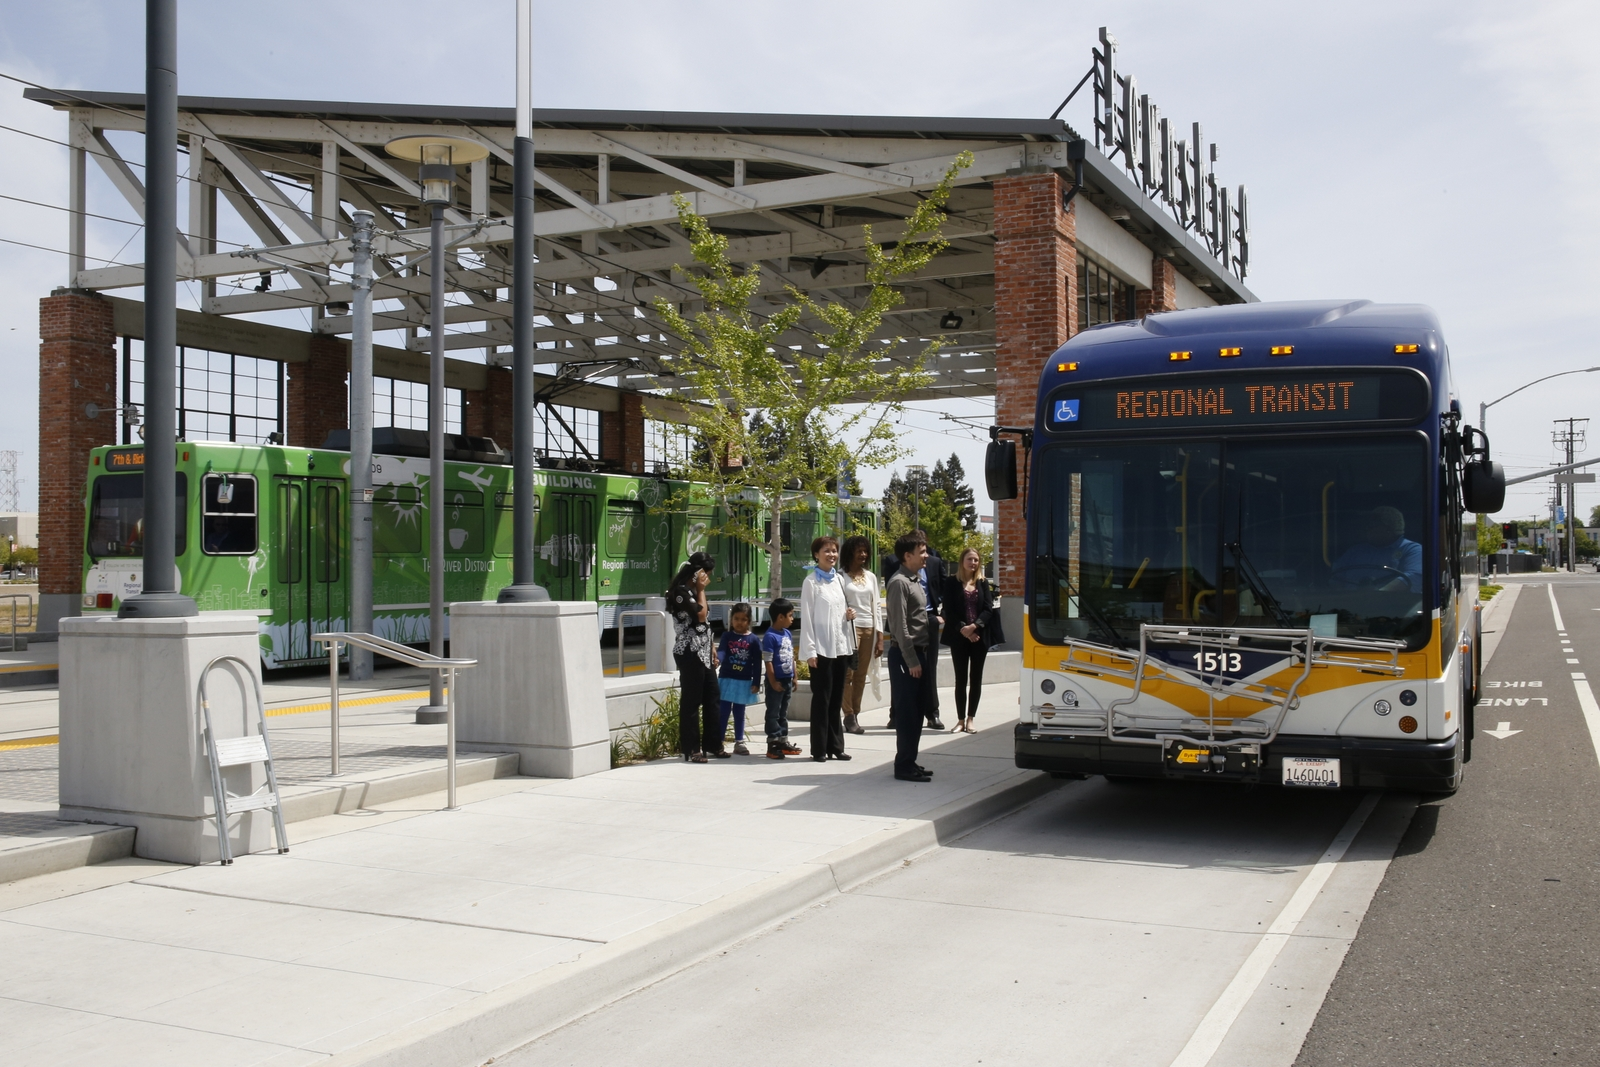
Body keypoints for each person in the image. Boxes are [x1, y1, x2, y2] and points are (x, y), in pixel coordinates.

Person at [798, 534, 855, 763]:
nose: (832, 555)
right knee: (821, 700)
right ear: (816, 555)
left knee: (836, 699)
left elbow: (838, 611)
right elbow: (808, 619)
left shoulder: (839, 580)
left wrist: (848, 615)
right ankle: (820, 749)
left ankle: (836, 746)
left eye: (834, 551)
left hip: (840, 646)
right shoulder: (811, 582)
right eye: (827, 551)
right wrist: (810, 651)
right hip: (821, 649)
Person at [886, 532, 936, 782]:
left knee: (917, 712)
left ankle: (910, 761)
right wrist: (912, 660)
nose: (926, 555)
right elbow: (899, 626)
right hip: (907, 656)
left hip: (920, 653)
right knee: (906, 713)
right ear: (907, 556)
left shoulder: (915, 580)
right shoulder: (899, 583)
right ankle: (903, 765)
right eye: (922, 552)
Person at [667, 551, 720, 763]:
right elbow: (699, 615)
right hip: (689, 652)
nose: (709, 578)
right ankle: (692, 749)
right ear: (698, 573)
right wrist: (700, 590)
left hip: (704, 650)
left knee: (712, 696)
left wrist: (712, 647)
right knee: (691, 700)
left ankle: (713, 744)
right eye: (707, 573)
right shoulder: (680, 592)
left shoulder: (695, 590)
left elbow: (705, 625)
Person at [940, 547, 998, 733]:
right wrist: (964, 629)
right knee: (961, 679)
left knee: (976, 679)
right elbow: (948, 609)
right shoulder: (951, 582)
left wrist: (975, 626)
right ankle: (960, 720)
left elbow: (989, 608)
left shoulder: (982, 582)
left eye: (976, 560)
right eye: (970, 559)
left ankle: (971, 718)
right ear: (962, 561)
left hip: (979, 637)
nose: (973, 563)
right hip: (959, 637)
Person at [839, 534, 882, 736]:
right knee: (848, 674)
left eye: (865, 551)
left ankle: (855, 713)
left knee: (861, 675)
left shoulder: (871, 577)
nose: (863, 554)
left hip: (869, 629)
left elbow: (877, 608)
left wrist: (880, 637)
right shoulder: (840, 577)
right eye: (859, 551)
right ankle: (847, 714)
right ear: (850, 553)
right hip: (849, 629)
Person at [1331, 506, 1424, 592]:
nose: (1367, 529)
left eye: (1372, 526)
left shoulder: (1412, 550)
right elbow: (1336, 577)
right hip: (1350, 607)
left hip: (1394, 608)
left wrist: (1378, 596)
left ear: (1388, 528)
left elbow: (1414, 577)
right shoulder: (1355, 551)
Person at [716, 603, 762, 756]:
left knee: (739, 712)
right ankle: (719, 741)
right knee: (723, 711)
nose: (739, 622)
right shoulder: (727, 636)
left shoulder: (754, 640)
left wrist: (756, 682)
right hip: (727, 679)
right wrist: (718, 660)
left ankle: (739, 742)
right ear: (731, 619)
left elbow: (757, 663)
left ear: (749, 621)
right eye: (736, 619)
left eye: (744, 619)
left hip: (743, 681)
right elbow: (722, 651)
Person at [762, 598, 802, 759]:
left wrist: (795, 675)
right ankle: (773, 743)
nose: (792, 619)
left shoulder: (787, 633)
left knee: (783, 712)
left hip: (786, 679)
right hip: (776, 681)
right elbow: (768, 661)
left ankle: (783, 740)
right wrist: (773, 681)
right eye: (790, 615)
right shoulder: (770, 636)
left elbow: (790, 656)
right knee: (773, 712)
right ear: (780, 617)